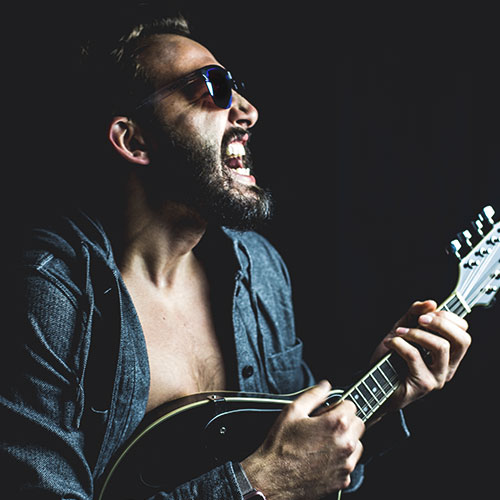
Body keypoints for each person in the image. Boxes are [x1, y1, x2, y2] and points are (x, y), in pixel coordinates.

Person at [2, 5, 471, 499]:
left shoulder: (259, 268)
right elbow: (280, 474)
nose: (248, 111)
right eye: (212, 88)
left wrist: (381, 403)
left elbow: (305, 462)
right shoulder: (49, 298)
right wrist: (260, 484)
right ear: (134, 140)